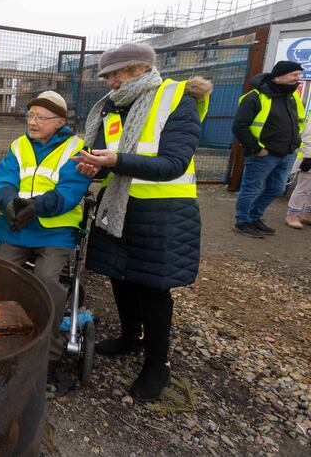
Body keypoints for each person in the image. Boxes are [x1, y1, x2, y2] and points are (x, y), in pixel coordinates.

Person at [72, 42, 211, 402]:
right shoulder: (112, 108)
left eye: (117, 74)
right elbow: (108, 154)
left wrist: (115, 161)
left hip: (162, 211)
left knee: (153, 287)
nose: (111, 82)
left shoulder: (176, 98)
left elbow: (173, 163)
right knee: (121, 275)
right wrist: (94, 165)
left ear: (140, 69)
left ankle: (157, 365)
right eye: (107, 76)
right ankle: (130, 337)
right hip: (118, 206)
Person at [0, 91, 92, 378]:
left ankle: (49, 354)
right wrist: (10, 202)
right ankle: (3, 337)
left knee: (48, 279)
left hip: (54, 230)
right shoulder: (19, 146)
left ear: (59, 121)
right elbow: (4, 179)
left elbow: (70, 192)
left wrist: (35, 206)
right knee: (1, 273)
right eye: (30, 116)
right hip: (17, 226)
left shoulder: (76, 149)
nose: (32, 122)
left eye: (40, 117)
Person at [232, 61, 305, 238]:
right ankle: (242, 222)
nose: (298, 78)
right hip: (263, 154)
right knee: (251, 188)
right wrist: (256, 148)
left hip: (286, 153)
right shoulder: (255, 97)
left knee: (277, 189)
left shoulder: (291, 96)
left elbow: (299, 121)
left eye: (298, 74)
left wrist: (294, 144)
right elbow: (239, 126)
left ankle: (254, 217)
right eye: (294, 75)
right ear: (278, 77)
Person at [285, 120, 311, 228]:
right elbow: (307, 138)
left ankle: (308, 214)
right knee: (303, 188)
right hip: (308, 159)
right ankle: (292, 215)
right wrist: (308, 157)